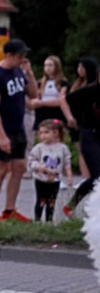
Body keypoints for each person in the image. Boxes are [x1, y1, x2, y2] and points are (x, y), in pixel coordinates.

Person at [0, 39, 38, 222]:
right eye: (18, 56)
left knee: (19, 167)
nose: (21, 59)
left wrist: (28, 73)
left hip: (18, 127)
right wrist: (1, 136)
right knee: (1, 168)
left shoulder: (18, 72)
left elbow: (33, 94)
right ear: (8, 55)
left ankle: (10, 209)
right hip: (2, 129)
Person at [60, 73, 100, 217]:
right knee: (97, 177)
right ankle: (70, 206)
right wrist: (70, 118)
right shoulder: (89, 91)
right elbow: (64, 100)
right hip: (90, 136)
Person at [27, 119, 73, 222]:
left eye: (46, 132)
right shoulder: (39, 148)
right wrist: (38, 167)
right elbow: (31, 160)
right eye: (41, 133)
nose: (43, 135)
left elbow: (66, 162)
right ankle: (37, 220)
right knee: (41, 200)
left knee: (51, 201)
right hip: (41, 179)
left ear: (55, 133)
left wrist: (69, 175)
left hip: (55, 180)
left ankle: (49, 220)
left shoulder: (62, 148)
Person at [67, 57, 98, 180]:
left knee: (87, 151)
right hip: (77, 119)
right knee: (80, 149)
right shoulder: (77, 84)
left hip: (88, 121)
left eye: (82, 67)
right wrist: (69, 116)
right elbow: (65, 99)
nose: (79, 70)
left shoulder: (92, 86)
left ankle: (90, 177)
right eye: (78, 67)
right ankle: (86, 177)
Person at [29, 56, 69, 140]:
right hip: (42, 114)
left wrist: (43, 103)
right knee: (42, 139)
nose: (47, 68)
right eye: (45, 65)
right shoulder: (40, 83)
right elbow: (37, 96)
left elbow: (60, 100)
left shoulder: (63, 83)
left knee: (57, 138)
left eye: (50, 65)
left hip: (56, 114)